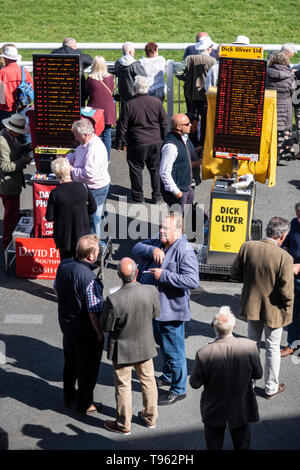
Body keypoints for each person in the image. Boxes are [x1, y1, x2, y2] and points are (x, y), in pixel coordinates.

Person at [132, 213, 199, 405]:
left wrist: (165, 275)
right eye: (160, 227)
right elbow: (136, 248)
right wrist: (152, 249)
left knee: (174, 351)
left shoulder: (185, 251)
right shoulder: (159, 242)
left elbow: (192, 281)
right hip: (155, 309)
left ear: (178, 231)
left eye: (165, 229)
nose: (160, 231)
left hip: (171, 312)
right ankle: (168, 376)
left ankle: (178, 389)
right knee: (164, 346)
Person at [231, 216, 294, 399]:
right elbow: (287, 292)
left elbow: (234, 272)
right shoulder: (285, 258)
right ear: (282, 236)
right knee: (273, 348)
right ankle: (270, 388)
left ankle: (248, 383)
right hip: (275, 311)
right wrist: (288, 310)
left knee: (252, 344)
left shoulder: (248, 247)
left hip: (252, 305)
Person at [101, 258, 160, 435]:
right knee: (148, 382)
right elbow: (156, 314)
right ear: (137, 273)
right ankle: (150, 418)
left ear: (119, 275)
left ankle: (123, 424)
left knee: (123, 386)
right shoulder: (151, 291)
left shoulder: (113, 299)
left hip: (123, 350)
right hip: (145, 345)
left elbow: (106, 326)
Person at [190, 306, 263, 450]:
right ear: (234, 326)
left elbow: (194, 383)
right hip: (241, 405)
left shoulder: (204, 353)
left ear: (212, 326)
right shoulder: (249, 347)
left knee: (214, 444)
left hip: (214, 407)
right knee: (242, 443)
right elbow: (258, 374)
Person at [54, 234, 104, 414]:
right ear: (90, 255)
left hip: (67, 325)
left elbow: (56, 290)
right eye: (97, 251)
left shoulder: (63, 265)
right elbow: (93, 311)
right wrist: (99, 332)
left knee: (70, 363)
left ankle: (69, 397)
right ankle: (84, 403)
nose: (98, 254)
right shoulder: (90, 279)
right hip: (85, 331)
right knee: (88, 369)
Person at [115, 75, 168, 203]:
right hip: (155, 141)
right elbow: (164, 123)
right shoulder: (157, 103)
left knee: (136, 170)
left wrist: (119, 143)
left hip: (136, 143)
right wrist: (165, 140)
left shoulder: (129, 105)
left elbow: (122, 126)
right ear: (148, 88)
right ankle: (157, 196)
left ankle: (138, 196)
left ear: (134, 88)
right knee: (155, 170)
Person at [67, 119, 110, 244]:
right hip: (96, 187)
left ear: (84, 135)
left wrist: (71, 170)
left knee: (93, 220)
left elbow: (88, 174)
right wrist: (68, 158)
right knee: (98, 217)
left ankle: (96, 249)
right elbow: (77, 153)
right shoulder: (86, 144)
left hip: (96, 188)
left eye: (76, 135)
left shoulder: (93, 150)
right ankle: (100, 243)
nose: (75, 139)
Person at [45, 158, 96, 260]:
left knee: (66, 266)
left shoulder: (55, 193)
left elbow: (49, 217)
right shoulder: (83, 187)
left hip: (64, 239)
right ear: (68, 170)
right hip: (82, 236)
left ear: (56, 174)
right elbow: (93, 208)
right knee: (82, 264)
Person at [0, 114, 32, 249]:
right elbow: (5, 167)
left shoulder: (10, 136)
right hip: (8, 186)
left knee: (13, 214)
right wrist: (23, 162)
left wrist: (27, 146)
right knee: (10, 216)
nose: (20, 134)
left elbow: (17, 149)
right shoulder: (2, 142)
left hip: (13, 184)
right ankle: (7, 243)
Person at [183, 36, 216, 146]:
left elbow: (181, 72)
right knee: (206, 121)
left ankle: (191, 143)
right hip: (206, 96)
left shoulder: (190, 59)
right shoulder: (212, 61)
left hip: (192, 95)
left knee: (192, 119)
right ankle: (203, 144)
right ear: (209, 48)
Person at [160, 113, 194, 212]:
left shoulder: (183, 138)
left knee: (184, 220)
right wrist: (177, 192)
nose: (191, 125)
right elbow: (164, 172)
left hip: (185, 188)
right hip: (177, 192)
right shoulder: (171, 146)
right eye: (187, 124)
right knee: (176, 222)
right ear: (179, 127)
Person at [266, 51, 296, 162]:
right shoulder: (290, 76)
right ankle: (282, 154)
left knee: (269, 130)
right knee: (282, 131)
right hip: (285, 108)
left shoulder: (266, 74)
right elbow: (293, 91)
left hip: (269, 106)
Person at [85, 56, 116, 161]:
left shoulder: (90, 79)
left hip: (94, 111)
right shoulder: (111, 77)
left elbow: (87, 93)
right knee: (107, 134)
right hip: (108, 110)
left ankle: (95, 159)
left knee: (95, 136)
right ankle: (106, 159)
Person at [281, 202, 300, 356]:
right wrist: (284, 251)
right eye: (297, 216)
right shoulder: (294, 223)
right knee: (294, 311)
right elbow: (287, 242)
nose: (298, 220)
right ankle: (292, 344)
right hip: (293, 274)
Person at [51, 37, 93, 106]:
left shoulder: (54, 53)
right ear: (73, 46)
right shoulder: (78, 54)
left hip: (58, 91)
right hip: (77, 93)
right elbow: (90, 60)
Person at [0, 46, 34, 128]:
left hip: (6, 111)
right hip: (22, 108)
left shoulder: (2, 73)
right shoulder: (24, 71)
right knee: (24, 135)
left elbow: (1, 97)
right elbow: (31, 88)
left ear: (6, 59)